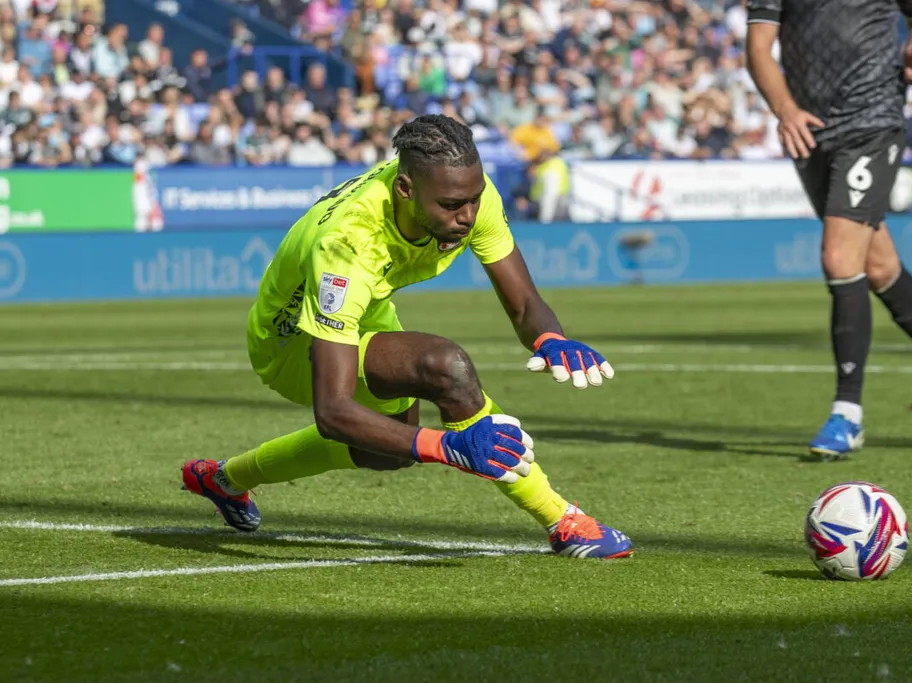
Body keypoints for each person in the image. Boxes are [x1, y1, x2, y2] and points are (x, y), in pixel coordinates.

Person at [181, 115, 633, 560]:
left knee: (390, 451)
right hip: (290, 339)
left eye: (473, 200)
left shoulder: (465, 191)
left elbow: (523, 303)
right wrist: (447, 447)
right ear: (405, 190)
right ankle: (562, 520)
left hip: (368, 313)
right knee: (443, 367)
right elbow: (333, 412)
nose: (467, 216)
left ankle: (222, 479)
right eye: (453, 205)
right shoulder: (348, 245)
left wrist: (551, 339)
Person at [745, 0, 912, 459]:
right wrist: (786, 109)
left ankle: (847, 413)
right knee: (877, 265)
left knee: (839, 257)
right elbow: (758, 47)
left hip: (872, 120)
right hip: (809, 131)